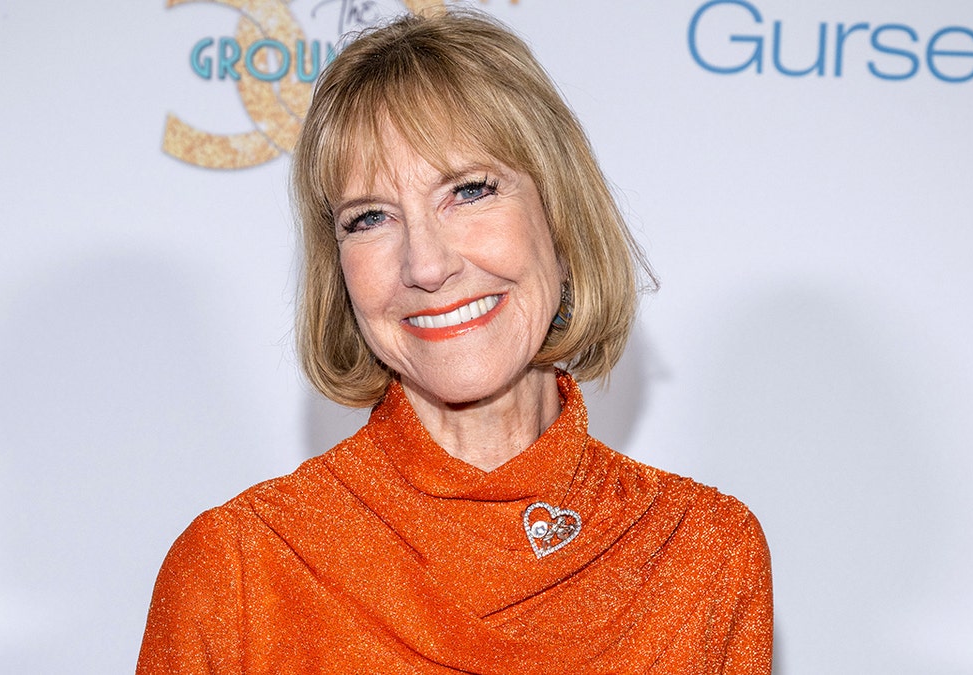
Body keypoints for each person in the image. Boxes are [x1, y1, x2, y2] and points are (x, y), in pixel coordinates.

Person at [138, 10, 772, 674]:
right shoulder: (241, 569)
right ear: (339, 268)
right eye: (371, 217)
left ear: (559, 221)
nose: (426, 264)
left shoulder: (704, 552)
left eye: (468, 191)